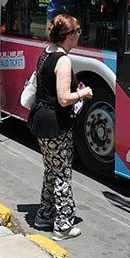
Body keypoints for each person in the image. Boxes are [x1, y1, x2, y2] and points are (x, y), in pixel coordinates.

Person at [31, 14, 93, 241]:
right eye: (78, 30)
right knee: (62, 173)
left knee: (51, 169)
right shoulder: (63, 60)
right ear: (69, 35)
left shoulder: (46, 52)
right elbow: (64, 98)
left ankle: (45, 215)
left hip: (41, 120)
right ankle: (63, 225)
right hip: (56, 124)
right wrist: (83, 93)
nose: (80, 34)